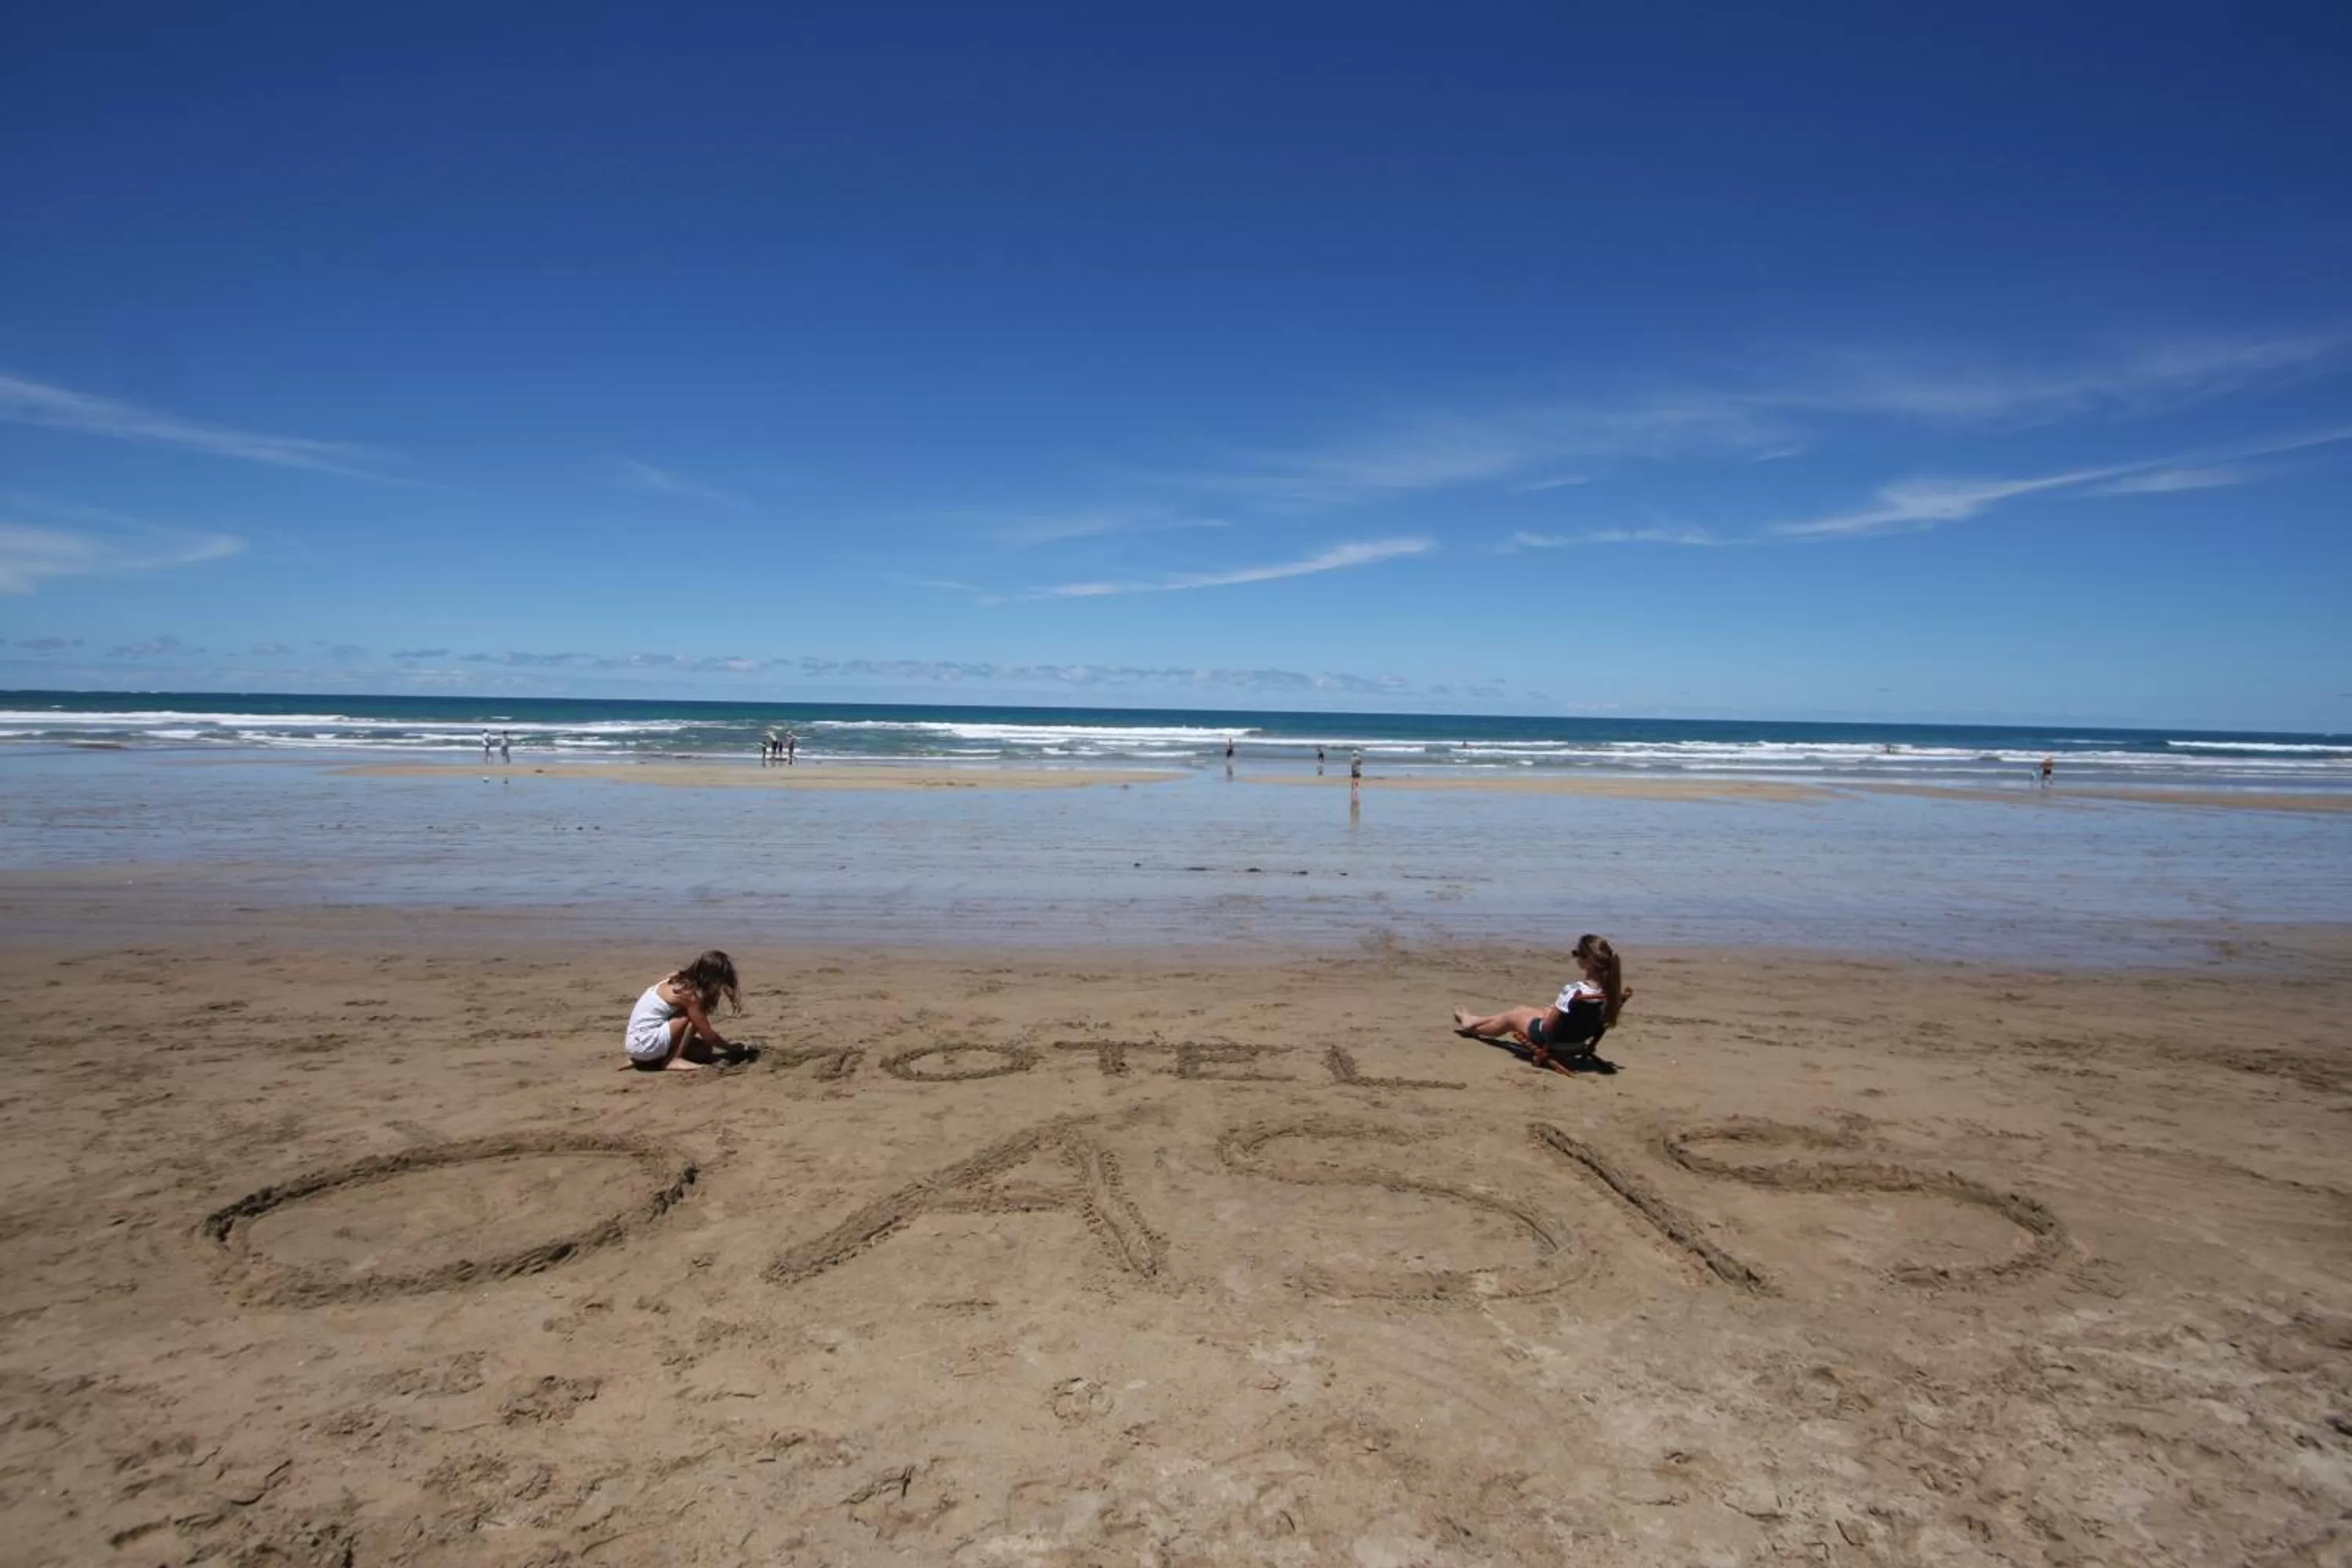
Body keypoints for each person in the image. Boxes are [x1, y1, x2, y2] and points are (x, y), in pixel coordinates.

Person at [1451, 935, 1628, 1073]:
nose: (1575, 958)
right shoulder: (1611, 992)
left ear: (1587, 962)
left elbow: (1550, 1026)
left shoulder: (1574, 990)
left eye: (1576, 954)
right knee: (1527, 1010)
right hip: (1578, 1039)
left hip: (1555, 1040)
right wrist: (1551, 1011)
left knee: (1513, 1016)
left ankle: (1472, 1026)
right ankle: (1474, 1020)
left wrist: (1550, 1013)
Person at [623, 950, 743, 1073]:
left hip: (634, 1044)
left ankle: (646, 1059)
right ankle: (673, 1060)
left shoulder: (675, 978)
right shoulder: (691, 996)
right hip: (647, 1043)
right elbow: (708, 1035)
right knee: (692, 1017)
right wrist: (732, 1049)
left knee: (703, 1050)